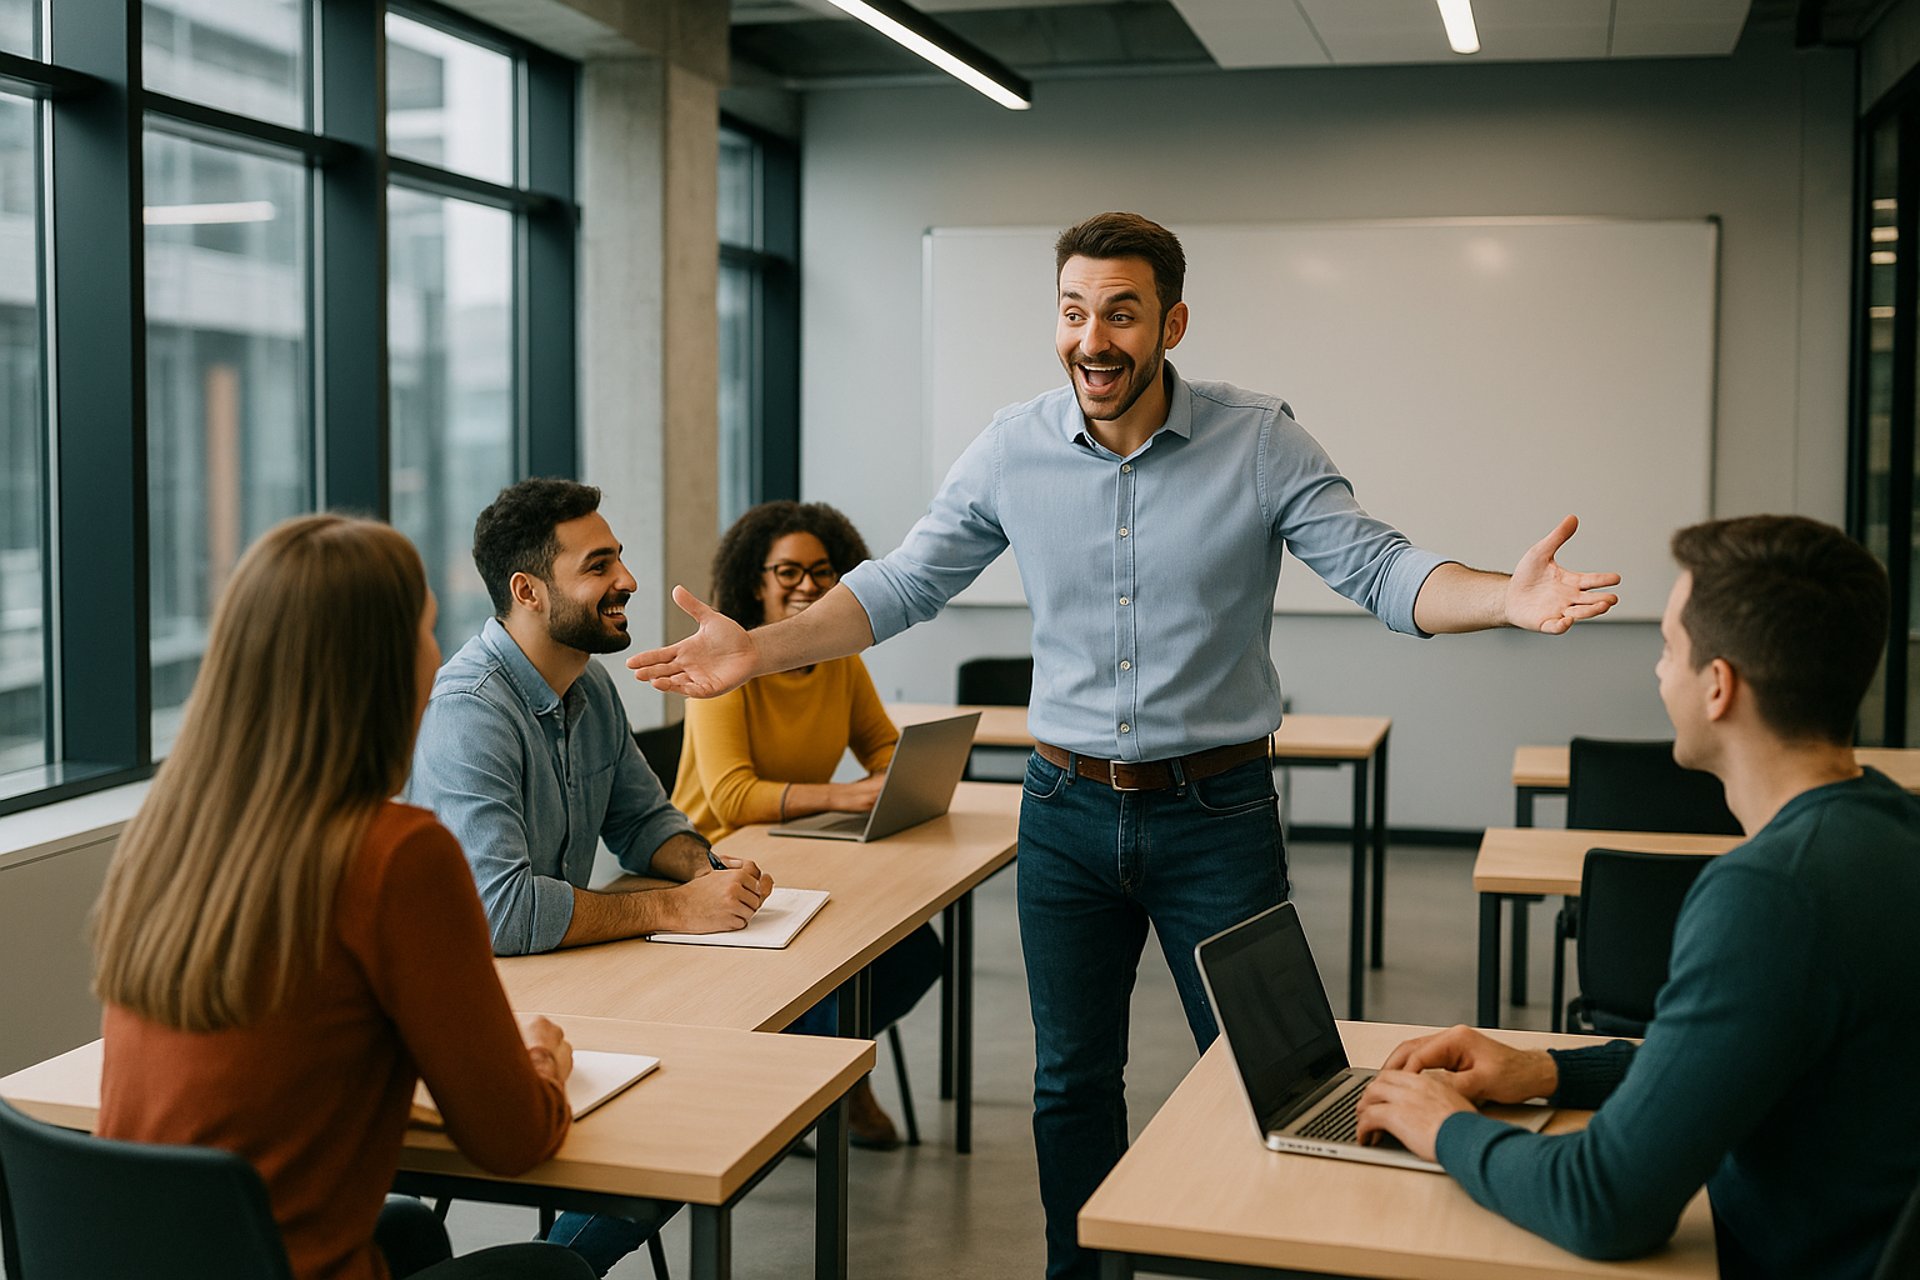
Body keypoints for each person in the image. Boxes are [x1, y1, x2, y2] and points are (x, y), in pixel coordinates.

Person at [628, 211, 1622, 1279]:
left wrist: (1500, 599)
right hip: (1062, 810)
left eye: (1120, 312)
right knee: (1071, 1081)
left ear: (1171, 323)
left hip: (1217, 813)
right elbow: (906, 580)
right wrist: (761, 651)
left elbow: (1380, 568)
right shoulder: (1013, 445)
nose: (1091, 338)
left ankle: (1265, 1257)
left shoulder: (1259, 439)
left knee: (1269, 1071)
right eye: (1072, 311)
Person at [1356, 515, 1920, 1279]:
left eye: (1667, 649)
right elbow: (1731, 1062)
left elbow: (1603, 1201)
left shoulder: (1770, 896)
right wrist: (1544, 1069)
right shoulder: (1890, 825)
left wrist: (1445, 1127)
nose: (1658, 673)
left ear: (1718, 687)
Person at [91, 514, 592, 1280]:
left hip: (141, 1257)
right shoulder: (396, 855)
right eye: (427, 629)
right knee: (553, 1272)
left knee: (409, 1233)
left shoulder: (168, 836)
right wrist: (541, 1059)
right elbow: (513, 1141)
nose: (439, 654)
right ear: (382, 668)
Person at [406, 478, 771, 1276]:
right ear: (529, 592)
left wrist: (711, 871)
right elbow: (499, 914)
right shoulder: (471, 706)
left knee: (719, 1088)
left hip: (569, 978)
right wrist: (677, 907)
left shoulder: (589, 683)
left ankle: (553, 1260)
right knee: (686, 1125)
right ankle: (555, 1266)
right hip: (493, 989)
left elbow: (643, 821)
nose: (628, 582)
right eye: (599, 565)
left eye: (620, 559)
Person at [671, 500, 945, 1149]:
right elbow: (732, 796)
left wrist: (887, 779)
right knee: (839, 953)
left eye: (822, 572)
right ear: (755, 581)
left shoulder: (839, 661)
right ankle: (816, 1086)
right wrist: (845, 799)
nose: (807, 585)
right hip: (714, 861)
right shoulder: (724, 669)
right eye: (787, 571)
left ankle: (818, 1076)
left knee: (915, 953)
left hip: (798, 852)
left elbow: (882, 746)